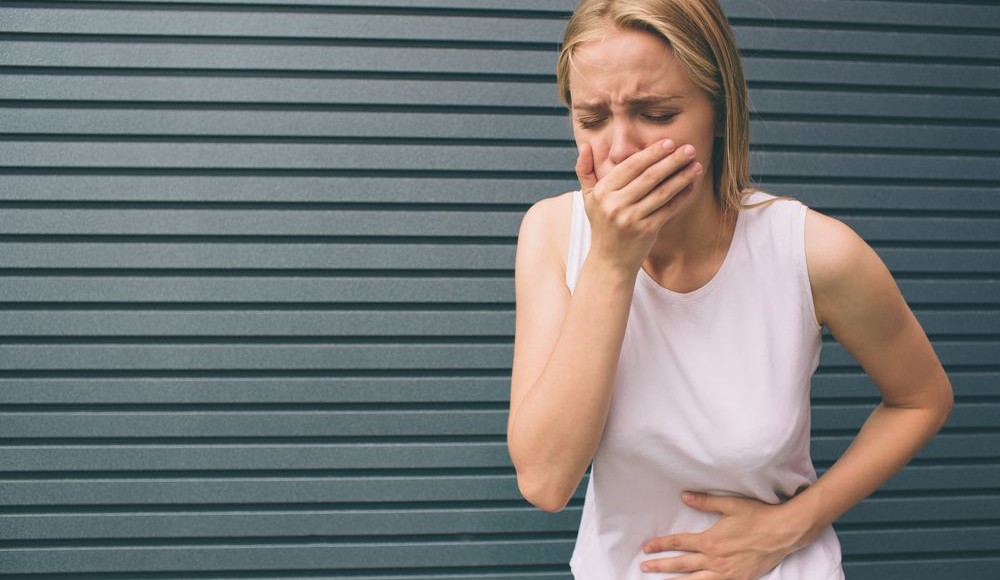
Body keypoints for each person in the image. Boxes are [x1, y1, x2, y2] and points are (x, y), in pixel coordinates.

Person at [506, 0, 955, 578]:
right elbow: (545, 481)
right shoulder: (552, 233)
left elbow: (922, 398)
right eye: (592, 119)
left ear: (720, 111)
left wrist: (794, 524)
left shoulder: (813, 250)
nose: (620, 150)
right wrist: (611, 266)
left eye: (657, 113)